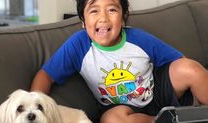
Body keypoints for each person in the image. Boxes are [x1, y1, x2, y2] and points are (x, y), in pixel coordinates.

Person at [30, 0, 208, 122]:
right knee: (111, 120)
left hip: (157, 91)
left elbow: (179, 60)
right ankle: (166, 120)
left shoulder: (139, 38)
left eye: (112, 9)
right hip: (121, 108)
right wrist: (36, 107)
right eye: (94, 10)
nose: (103, 18)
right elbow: (46, 75)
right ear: (83, 21)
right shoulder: (78, 45)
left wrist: (192, 77)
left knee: (190, 68)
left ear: (123, 17)